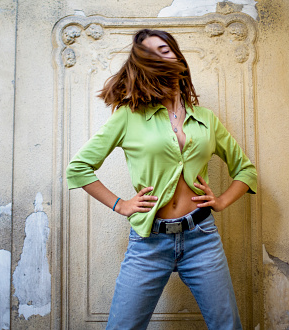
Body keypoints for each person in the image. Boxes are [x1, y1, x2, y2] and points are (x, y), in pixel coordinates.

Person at [66, 29, 257, 330]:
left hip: (202, 238)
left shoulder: (206, 119)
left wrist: (220, 201)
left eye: (165, 49)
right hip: (148, 242)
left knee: (227, 326)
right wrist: (121, 204)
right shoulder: (129, 117)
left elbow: (245, 170)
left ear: (178, 56)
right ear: (144, 64)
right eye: (152, 52)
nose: (161, 55)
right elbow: (78, 168)